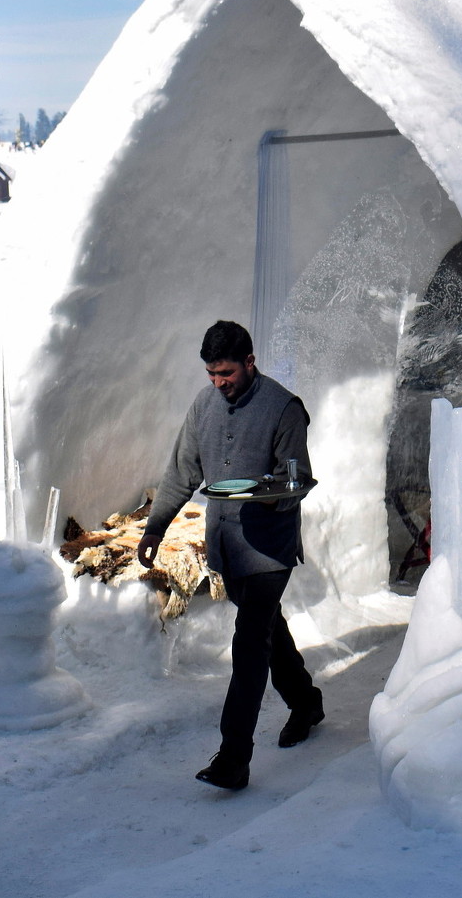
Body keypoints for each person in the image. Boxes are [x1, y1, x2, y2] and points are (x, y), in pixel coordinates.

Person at [139, 319, 323, 791]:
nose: (219, 383)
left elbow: (295, 482)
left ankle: (233, 757)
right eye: (212, 375)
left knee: (247, 647)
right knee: (266, 632)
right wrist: (156, 527)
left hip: (268, 551)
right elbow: (182, 471)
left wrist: (267, 492)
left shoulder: (284, 409)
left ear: (249, 361)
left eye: (227, 373)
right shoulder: (204, 406)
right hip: (226, 546)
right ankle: (305, 703)